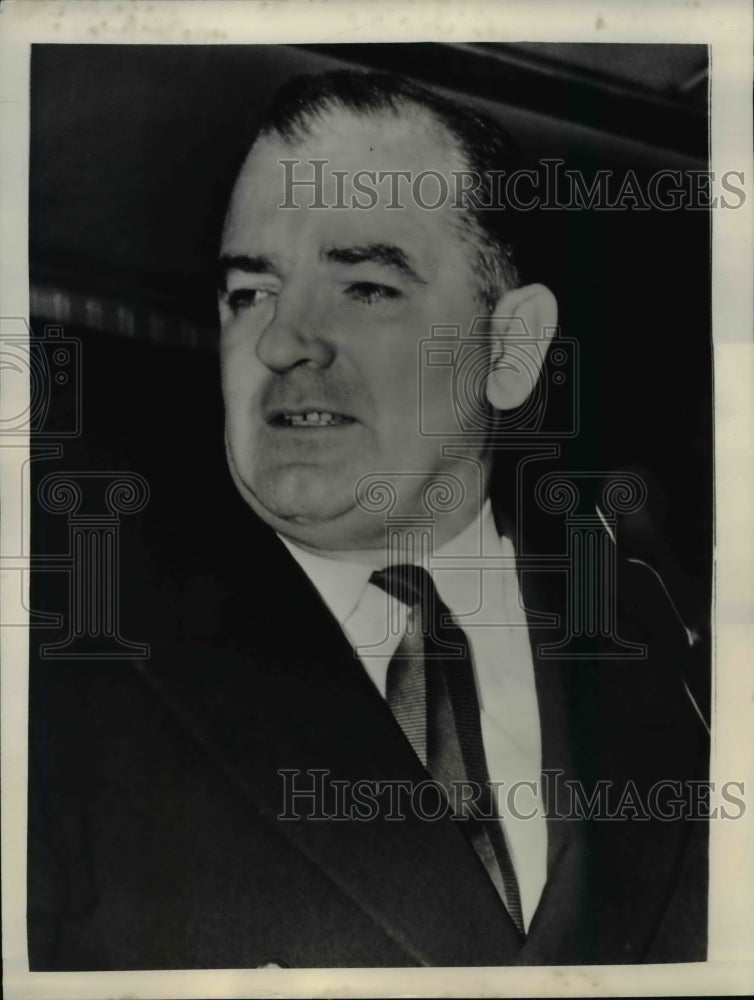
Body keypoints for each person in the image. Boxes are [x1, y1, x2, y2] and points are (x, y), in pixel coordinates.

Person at [28, 69, 709, 970]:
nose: (280, 341)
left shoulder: (679, 658)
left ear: (511, 349)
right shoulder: (66, 672)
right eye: (249, 294)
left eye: (365, 288)